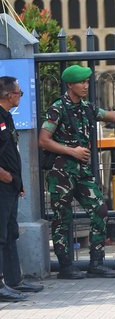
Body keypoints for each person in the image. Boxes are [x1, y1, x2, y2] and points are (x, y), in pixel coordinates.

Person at [39, 65, 115, 280]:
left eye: (87, 82)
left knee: (100, 210)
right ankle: (65, 266)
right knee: (62, 218)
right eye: (81, 82)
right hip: (62, 171)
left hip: (82, 171)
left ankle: (96, 263)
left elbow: (111, 115)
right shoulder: (57, 108)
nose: (85, 86)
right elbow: (43, 140)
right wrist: (71, 150)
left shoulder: (86, 107)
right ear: (70, 85)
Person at [0, 77, 43, 302]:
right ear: (9, 95)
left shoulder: (6, 117)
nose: (20, 96)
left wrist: (18, 182)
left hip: (9, 184)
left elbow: (10, 151)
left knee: (10, 232)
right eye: (19, 93)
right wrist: (4, 175)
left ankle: (13, 280)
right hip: (2, 183)